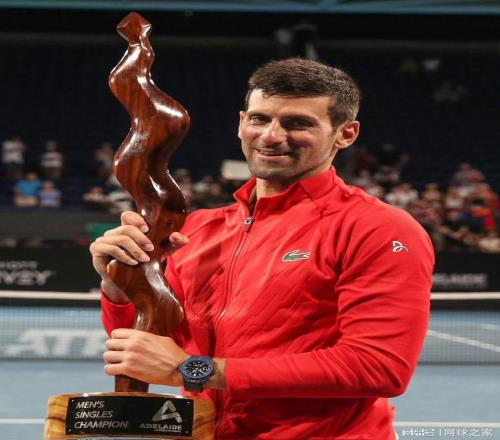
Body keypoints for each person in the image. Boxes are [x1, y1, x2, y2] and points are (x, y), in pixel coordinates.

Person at [90, 58, 434, 439]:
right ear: (241, 123)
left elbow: (377, 367)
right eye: (259, 119)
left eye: (297, 123)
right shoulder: (198, 229)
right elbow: (148, 347)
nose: (271, 136)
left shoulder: (377, 229)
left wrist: (194, 370)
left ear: (345, 134)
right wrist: (120, 285)